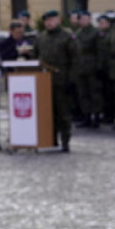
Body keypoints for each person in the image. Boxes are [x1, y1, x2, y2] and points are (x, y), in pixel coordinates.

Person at [30, 11, 78, 151]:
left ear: (58, 20)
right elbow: (36, 57)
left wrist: (71, 79)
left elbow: (76, 60)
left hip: (62, 80)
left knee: (63, 113)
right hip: (44, 81)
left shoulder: (67, 37)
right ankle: (50, 139)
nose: (49, 23)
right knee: (47, 112)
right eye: (46, 21)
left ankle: (65, 142)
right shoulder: (41, 37)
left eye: (51, 20)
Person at [72, 11, 103, 129]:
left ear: (90, 19)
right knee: (83, 93)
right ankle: (86, 116)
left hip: (92, 67)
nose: (83, 21)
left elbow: (100, 51)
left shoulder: (95, 33)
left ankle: (96, 116)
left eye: (85, 19)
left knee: (94, 93)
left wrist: (99, 67)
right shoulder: (78, 33)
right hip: (81, 67)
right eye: (81, 19)